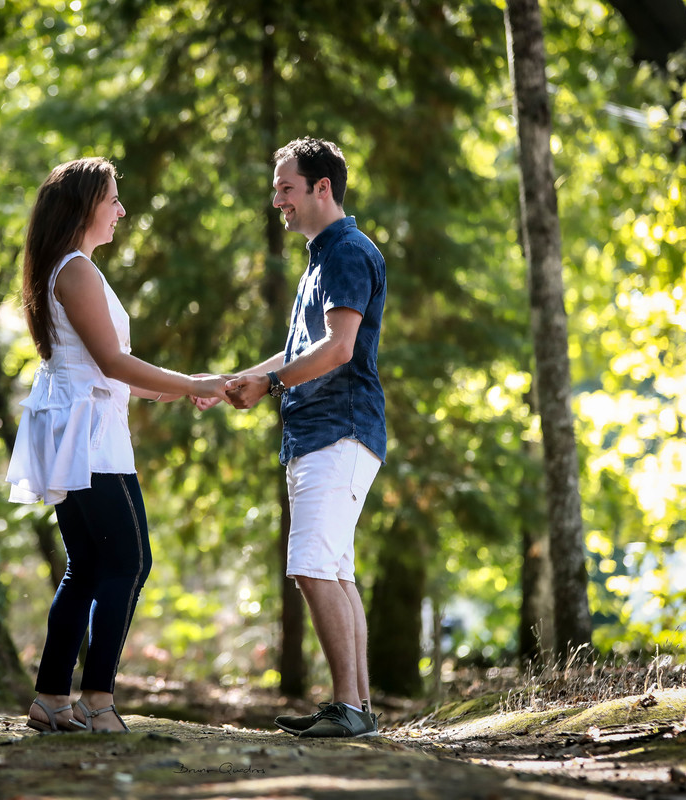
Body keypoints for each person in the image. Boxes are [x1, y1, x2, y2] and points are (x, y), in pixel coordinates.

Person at [6, 157, 229, 734]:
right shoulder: (76, 270)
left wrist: (181, 389)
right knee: (129, 561)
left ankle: (51, 697)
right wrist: (193, 382)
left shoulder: (67, 268)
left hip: (79, 429)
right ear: (85, 207)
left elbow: (108, 368)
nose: (122, 211)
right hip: (92, 439)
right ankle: (97, 699)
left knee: (86, 566)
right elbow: (111, 362)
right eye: (112, 199)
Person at [224, 137, 387, 738]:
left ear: (322, 188)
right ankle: (358, 707)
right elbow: (302, 350)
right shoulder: (322, 258)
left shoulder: (346, 252)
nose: (277, 202)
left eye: (285, 188)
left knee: (314, 568)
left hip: (339, 429)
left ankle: (349, 708)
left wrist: (269, 384)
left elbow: (339, 349)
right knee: (335, 571)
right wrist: (241, 380)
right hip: (323, 432)